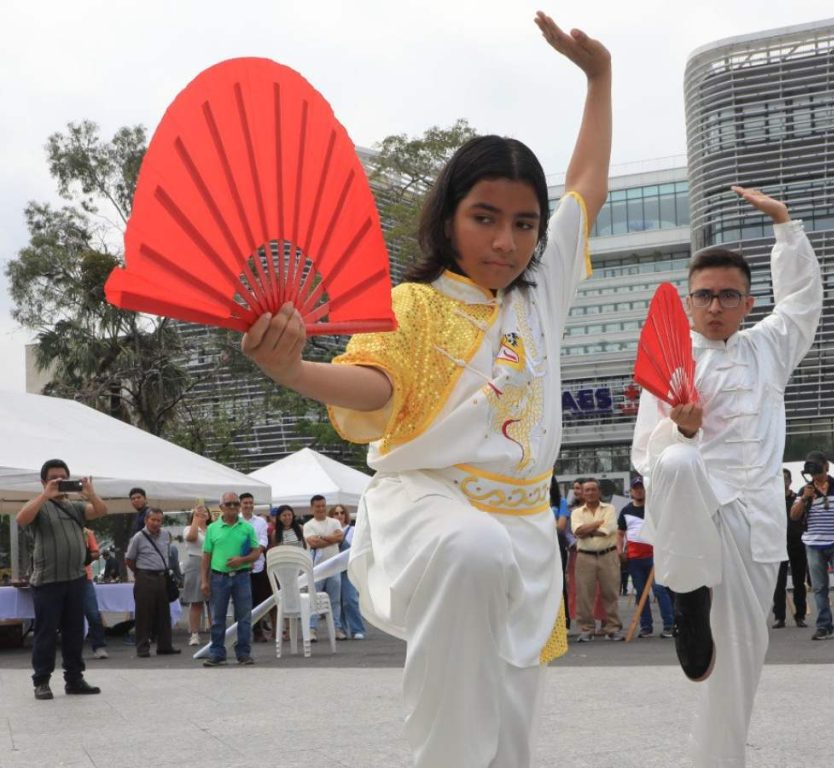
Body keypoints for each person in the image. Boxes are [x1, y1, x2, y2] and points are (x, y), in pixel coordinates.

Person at [240, 12, 609, 765]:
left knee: (511, 728)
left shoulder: (542, 295)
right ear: (448, 218)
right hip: (433, 508)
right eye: (484, 218)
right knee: (472, 554)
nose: (505, 240)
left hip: (530, 531)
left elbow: (586, 189)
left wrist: (599, 79)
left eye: (523, 223)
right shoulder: (413, 304)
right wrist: (295, 370)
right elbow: (375, 390)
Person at [631, 186, 822, 767]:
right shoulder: (670, 358)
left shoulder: (768, 348)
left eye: (728, 296)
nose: (715, 307)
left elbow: (803, 301)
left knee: (739, 660)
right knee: (681, 459)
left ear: (747, 302)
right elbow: (647, 456)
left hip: (756, 520)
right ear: (688, 301)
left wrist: (786, 226)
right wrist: (682, 432)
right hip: (696, 513)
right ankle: (686, 593)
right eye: (705, 296)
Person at [16, 458, 108, 700]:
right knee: (46, 633)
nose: (59, 481)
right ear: (43, 481)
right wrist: (45, 495)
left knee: (74, 633)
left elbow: (100, 511)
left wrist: (90, 493)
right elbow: (21, 519)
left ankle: (74, 679)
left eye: (63, 477)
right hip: (47, 581)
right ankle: (42, 682)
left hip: (76, 579)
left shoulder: (74, 506)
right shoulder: (39, 505)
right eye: (53, 478)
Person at [789, 452, 834, 641]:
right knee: (819, 588)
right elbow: (794, 516)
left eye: (817, 468)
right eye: (811, 469)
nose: (815, 474)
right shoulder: (805, 490)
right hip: (813, 545)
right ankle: (824, 626)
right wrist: (805, 498)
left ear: (826, 466)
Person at [200, 492, 261, 666]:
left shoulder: (247, 528)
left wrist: (241, 560)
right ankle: (217, 654)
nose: (233, 507)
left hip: (242, 577)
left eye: (236, 503)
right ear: (221, 508)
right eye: (229, 504)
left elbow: (256, 552)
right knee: (218, 618)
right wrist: (204, 580)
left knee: (244, 617)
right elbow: (206, 556)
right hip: (219, 577)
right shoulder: (212, 528)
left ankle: (243, 653)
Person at [618, 476, 674, 638]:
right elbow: (620, 533)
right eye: (636, 488)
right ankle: (646, 626)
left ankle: (669, 625)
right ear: (631, 491)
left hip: (655, 556)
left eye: (641, 487)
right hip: (635, 558)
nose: (639, 490)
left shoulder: (653, 509)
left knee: (659, 590)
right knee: (641, 593)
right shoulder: (626, 510)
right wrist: (620, 550)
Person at [572, 478, 624, 642]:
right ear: (583, 493)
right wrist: (597, 524)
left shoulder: (610, 508)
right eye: (587, 490)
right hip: (585, 557)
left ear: (599, 492)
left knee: (611, 593)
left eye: (593, 489)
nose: (590, 493)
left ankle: (612, 627)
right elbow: (577, 531)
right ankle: (587, 629)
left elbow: (607, 530)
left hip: (608, 555)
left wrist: (587, 530)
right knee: (584, 595)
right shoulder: (576, 512)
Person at [125, 508, 181, 657]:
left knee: (164, 613)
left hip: (161, 576)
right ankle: (142, 648)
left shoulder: (164, 535)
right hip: (145, 576)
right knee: (144, 613)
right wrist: (139, 572)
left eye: (159, 520)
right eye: (153, 520)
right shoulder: (138, 537)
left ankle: (165, 646)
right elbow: (129, 559)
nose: (156, 523)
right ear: (146, 520)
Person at [304, 495, 346, 641]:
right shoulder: (308, 525)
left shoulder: (334, 522)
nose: (321, 509)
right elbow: (313, 543)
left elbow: (340, 538)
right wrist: (330, 538)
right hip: (316, 568)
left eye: (323, 506)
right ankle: (311, 629)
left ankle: (337, 628)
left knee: (335, 600)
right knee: (314, 599)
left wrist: (322, 537)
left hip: (334, 566)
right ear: (312, 508)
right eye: (318, 506)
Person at [771, 468, 807, 629]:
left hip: (797, 542)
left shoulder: (797, 499)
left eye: (786, 479)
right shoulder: (772, 499)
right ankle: (779, 617)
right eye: (780, 478)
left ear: (790, 481)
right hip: (778, 543)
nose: (783, 481)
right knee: (779, 582)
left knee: (799, 581)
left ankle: (800, 615)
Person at [239, 492, 271, 642]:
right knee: (242, 601)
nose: (248, 505)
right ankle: (241, 633)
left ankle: (258, 630)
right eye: (245, 503)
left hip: (258, 565)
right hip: (240, 566)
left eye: (250, 502)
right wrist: (246, 559)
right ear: (240, 504)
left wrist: (255, 554)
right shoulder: (236, 521)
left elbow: (264, 539)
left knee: (258, 599)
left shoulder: (260, 521)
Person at [333, 505, 367, 640]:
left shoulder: (352, 530)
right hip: (334, 569)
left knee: (350, 599)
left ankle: (357, 628)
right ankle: (340, 628)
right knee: (337, 601)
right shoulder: (331, 530)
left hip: (347, 569)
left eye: (341, 512)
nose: (339, 515)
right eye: (336, 513)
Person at [182, 504, 212, 646]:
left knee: (213, 601)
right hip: (195, 563)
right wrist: (196, 518)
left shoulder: (212, 529)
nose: (203, 513)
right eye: (199, 512)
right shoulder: (189, 528)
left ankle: (215, 632)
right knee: (196, 601)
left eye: (205, 511)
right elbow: (192, 537)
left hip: (213, 563)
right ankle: (194, 634)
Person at [82, 527, 108, 659]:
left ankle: (99, 646)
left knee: (93, 614)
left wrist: (83, 557)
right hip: (64, 578)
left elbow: (96, 553)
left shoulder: (86, 532)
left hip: (84, 578)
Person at [551, 478, 571, 629]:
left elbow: (561, 525)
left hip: (556, 546)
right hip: (537, 547)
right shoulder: (532, 501)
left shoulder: (561, 502)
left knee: (559, 583)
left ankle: (564, 620)